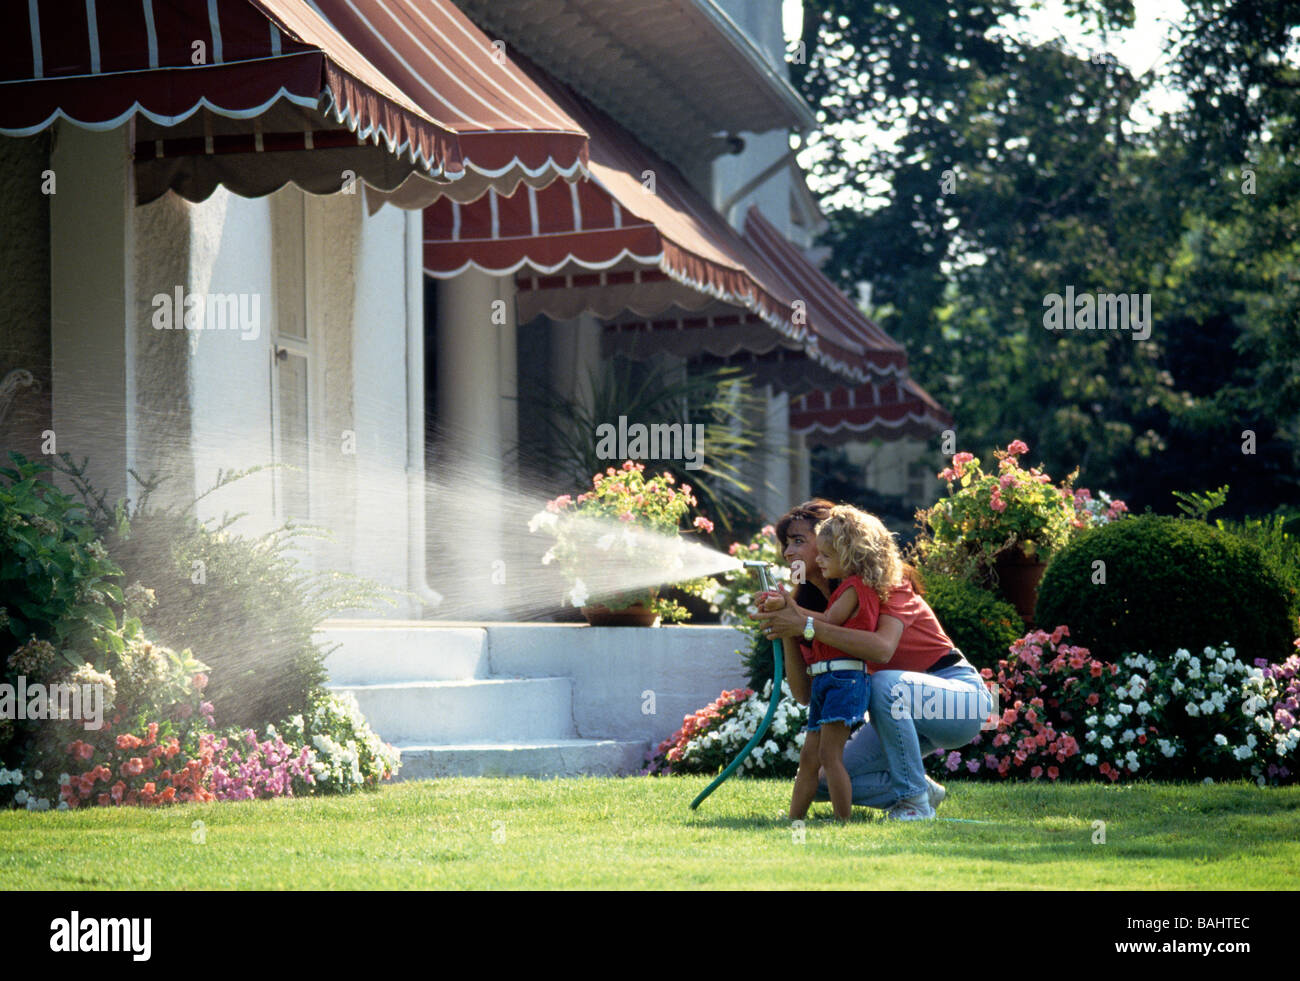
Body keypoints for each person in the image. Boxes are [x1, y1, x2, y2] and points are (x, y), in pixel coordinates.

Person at [756, 500, 996, 821]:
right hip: (898, 706)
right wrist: (787, 627)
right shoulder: (819, 612)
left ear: (840, 542)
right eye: (786, 543)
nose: (788, 553)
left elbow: (882, 650)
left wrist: (805, 625)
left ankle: (914, 803)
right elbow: (805, 695)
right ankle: (923, 789)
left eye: (799, 540)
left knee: (884, 682)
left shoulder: (887, 584)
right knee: (824, 780)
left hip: (959, 700)